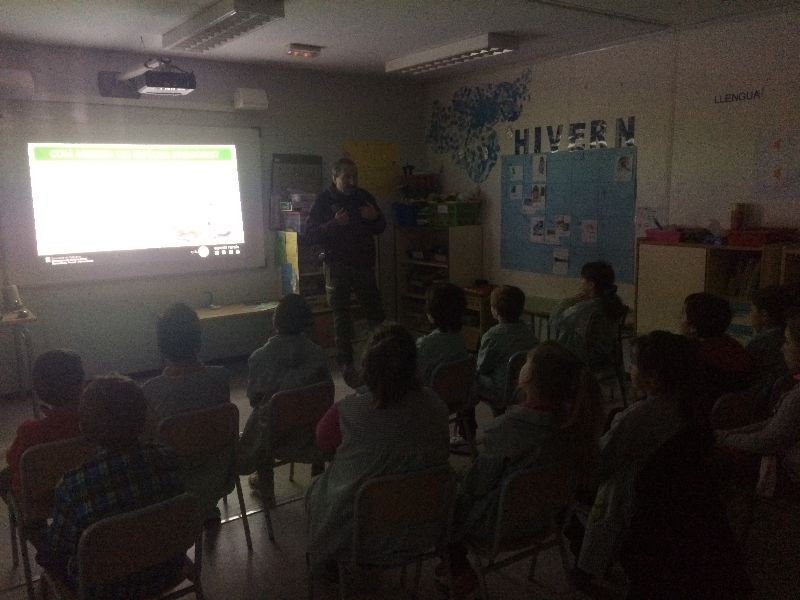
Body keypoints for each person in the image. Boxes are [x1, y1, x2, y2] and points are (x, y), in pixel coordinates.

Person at [578, 331, 750, 598]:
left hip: (633, 500)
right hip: (671, 502)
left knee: (563, 490)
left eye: (634, 364)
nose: (630, 369)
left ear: (654, 376)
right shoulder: (693, 406)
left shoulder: (638, 418)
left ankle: (584, 566)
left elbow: (597, 464)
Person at [443, 342, 603, 595]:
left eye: (527, 362)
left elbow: (476, 486)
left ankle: (458, 567)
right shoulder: (574, 428)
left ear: (529, 377)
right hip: (546, 517)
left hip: (498, 526)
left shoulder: (505, 430)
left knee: (442, 496)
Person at [306, 325, 449, 571]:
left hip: (358, 537)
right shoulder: (435, 404)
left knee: (318, 488)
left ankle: (327, 562)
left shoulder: (347, 411)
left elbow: (323, 441)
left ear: (367, 368)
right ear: (413, 365)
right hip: (424, 527)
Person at [42, 375, 184, 596]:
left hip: (102, 589)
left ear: (84, 428)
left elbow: (59, 547)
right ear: (144, 419)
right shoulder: (169, 459)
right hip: (168, 573)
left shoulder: (73, 487)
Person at [238, 293, 331, 503]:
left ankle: (266, 486)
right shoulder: (319, 355)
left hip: (274, 438)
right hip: (312, 434)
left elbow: (254, 400)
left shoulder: (259, 358)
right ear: (306, 322)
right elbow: (325, 395)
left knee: (262, 415)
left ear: (275, 321)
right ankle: (317, 480)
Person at [305, 157, 386, 387]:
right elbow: (310, 234)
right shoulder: (323, 200)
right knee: (341, 317)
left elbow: (381, 227)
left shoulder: (363, 196)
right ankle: (346, 364)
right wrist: (334, 224)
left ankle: (381, 358)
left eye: (355, 176)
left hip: (363, 265)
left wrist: (375, 218)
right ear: (334, 177)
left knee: (375, 314)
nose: (352, 181)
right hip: (337, 266)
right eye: (347, 177)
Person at [717, 311, 800, 497]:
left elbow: (769, 440)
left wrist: (724, 439)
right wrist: (729, 435)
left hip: (789, 475)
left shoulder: (797, 397)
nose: (782, 348)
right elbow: (775, 425)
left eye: (788, 342)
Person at [1, 350, 84, 502]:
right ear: (81, 383)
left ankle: (22, 516)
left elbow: (13, 459)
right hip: (82, 489)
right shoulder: (96, 421)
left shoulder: (30, 431)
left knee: (4, 477)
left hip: (42, 502)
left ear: (39, 390)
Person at [142, 302, 230, 434]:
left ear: (162, 347)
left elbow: (148, 436)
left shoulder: (150, 390)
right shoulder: (221, 377)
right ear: (198, 342)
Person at [549, 260, 626, 372]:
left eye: (583, 280)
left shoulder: (584, 309)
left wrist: (571, 300)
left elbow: (555, 321)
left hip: (581, 360)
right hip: (605, 359)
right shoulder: (613, 304)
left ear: (591, 285)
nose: (581, 283)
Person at [681, 292, 753, 411]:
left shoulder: (690, 355)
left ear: (693, 327)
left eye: (683, 314)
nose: (680, 320)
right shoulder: (735, 347)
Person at [475, 285, 538, 414]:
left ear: (495, 311)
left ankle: (469, 423)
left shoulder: (492, 336)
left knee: (471, 377)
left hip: (500, 389)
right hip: (523, 387)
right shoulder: (529, 332)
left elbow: (482, 367)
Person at [416, 283, 469, 385]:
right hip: (456, 392)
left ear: (432, 313)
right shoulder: (460, 338)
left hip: (431, 393)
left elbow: (416, 376)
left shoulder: (424, 345)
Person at [747, 285, 791, 388]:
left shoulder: (759, 344)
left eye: (752, 310)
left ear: (764, 315)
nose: (750, 314)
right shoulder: (790, 337)